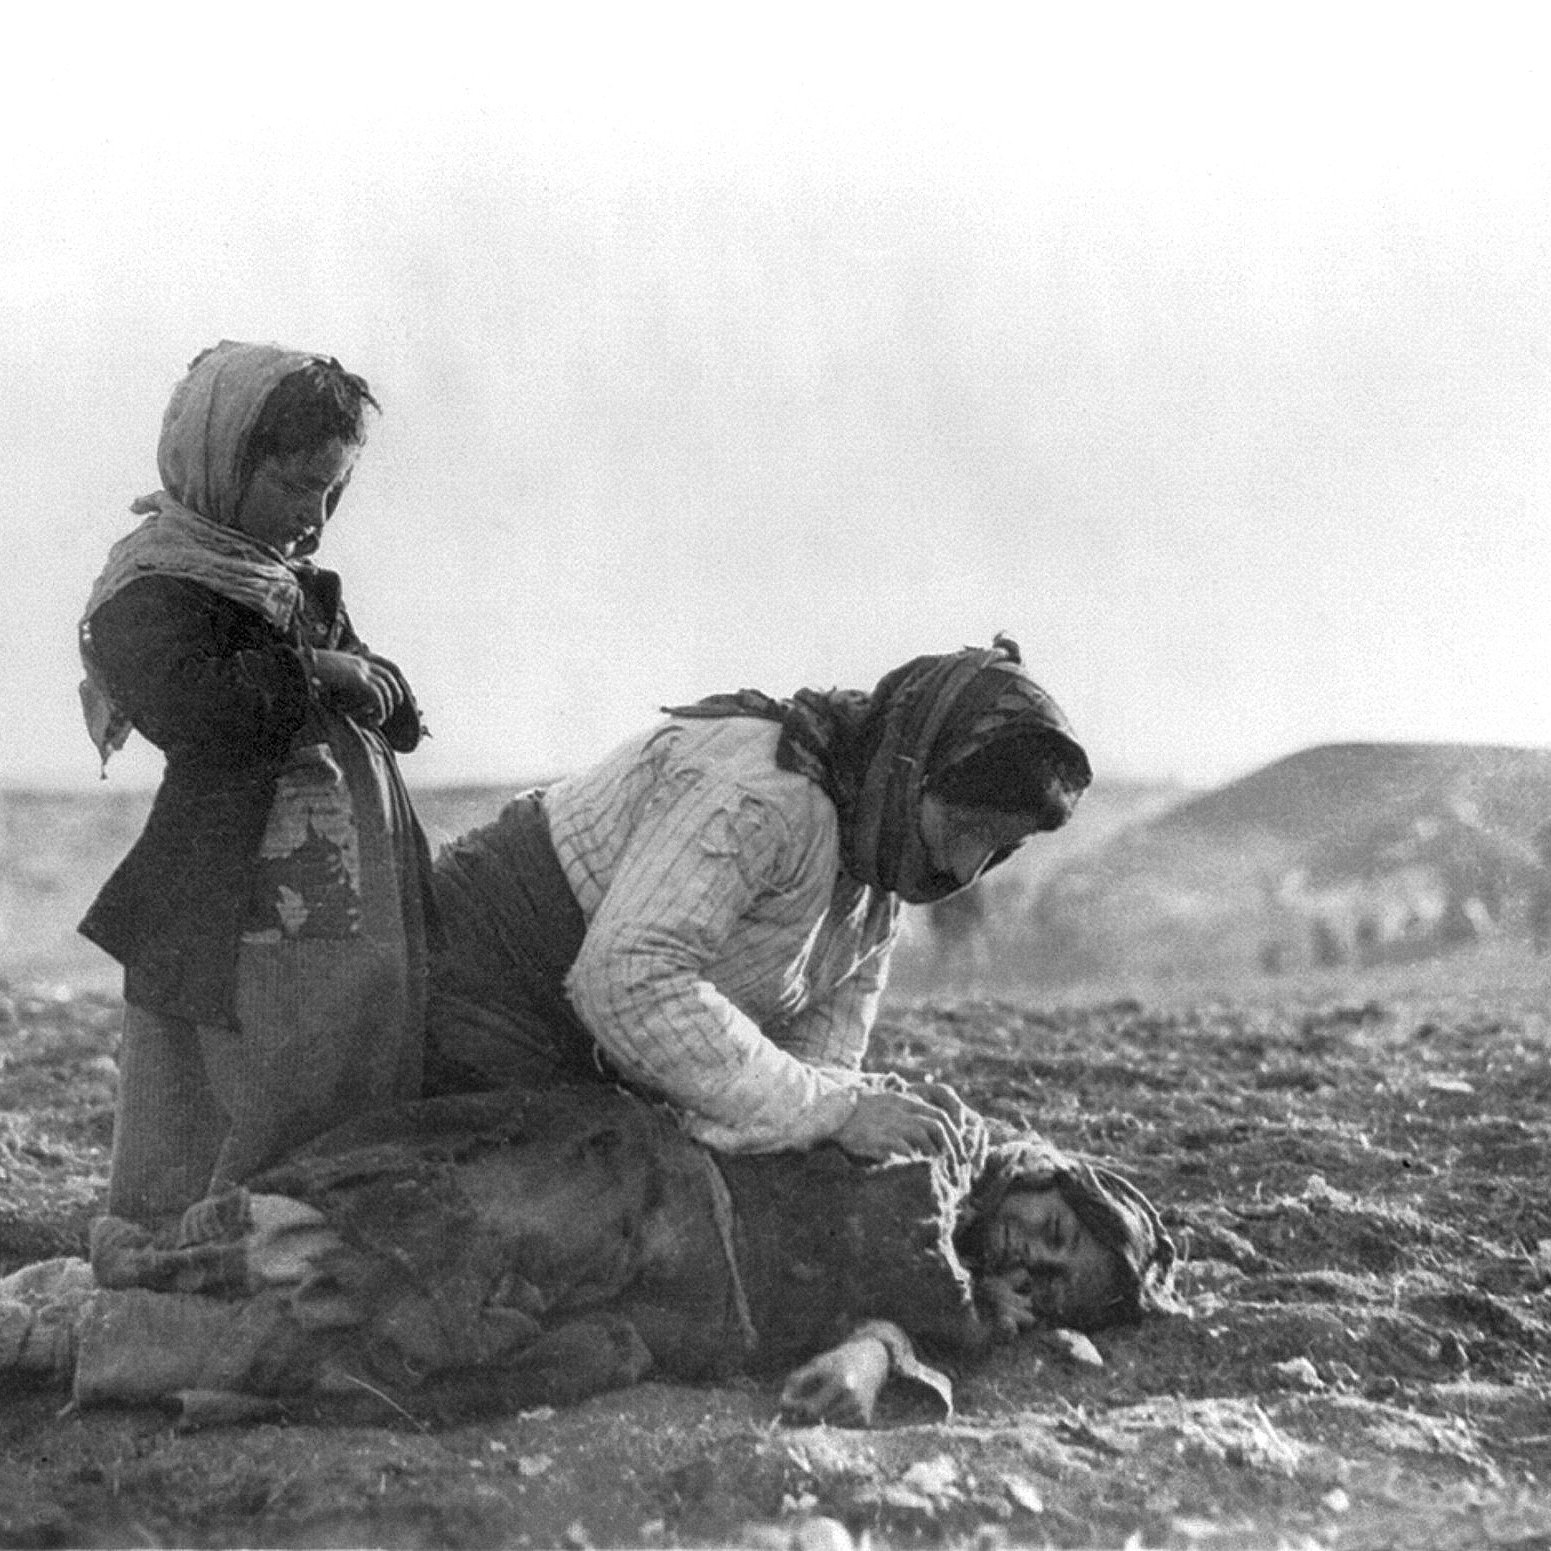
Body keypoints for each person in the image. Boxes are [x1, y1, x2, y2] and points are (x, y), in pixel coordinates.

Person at [0, 1081, 1177, 1429]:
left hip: (668, 1318)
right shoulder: (944, 1141)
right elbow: (905, 1220)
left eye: (1053, 1279)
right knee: (413, 1249)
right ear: (1048, 1181)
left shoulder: (961, 1309)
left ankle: (76, 1336)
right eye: (1054, 1229)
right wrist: (953, 1309)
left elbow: (895, 1329)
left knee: (423, 1366)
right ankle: (122, 1279)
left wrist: (877, 1356)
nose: (1031, 1256)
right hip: (643, 1193)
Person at [426, 635, 1092, 1161]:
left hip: (595, 1041)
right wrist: (834, 1112)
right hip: (480, 978)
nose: (964, 867)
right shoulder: (764, 794)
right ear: (913, 767)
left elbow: (815, 1062)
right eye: (966, 827)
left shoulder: (875, 883)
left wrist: (869, 1114)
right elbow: (627, 979)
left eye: (1001, 847)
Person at [76, 340, 438, 1227]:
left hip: (340, 893)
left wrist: (383, 692)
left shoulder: (293, 585)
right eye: (295, 487)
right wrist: (313, 672)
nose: (315, 517)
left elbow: (373, 688)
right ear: (219, 462)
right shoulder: (152, 589)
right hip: (230, 889)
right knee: (236, 1074)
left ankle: (308, 1228)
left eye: (332, 492)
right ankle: (194, 1248)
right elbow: (190, 709)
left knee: (343, 1048)